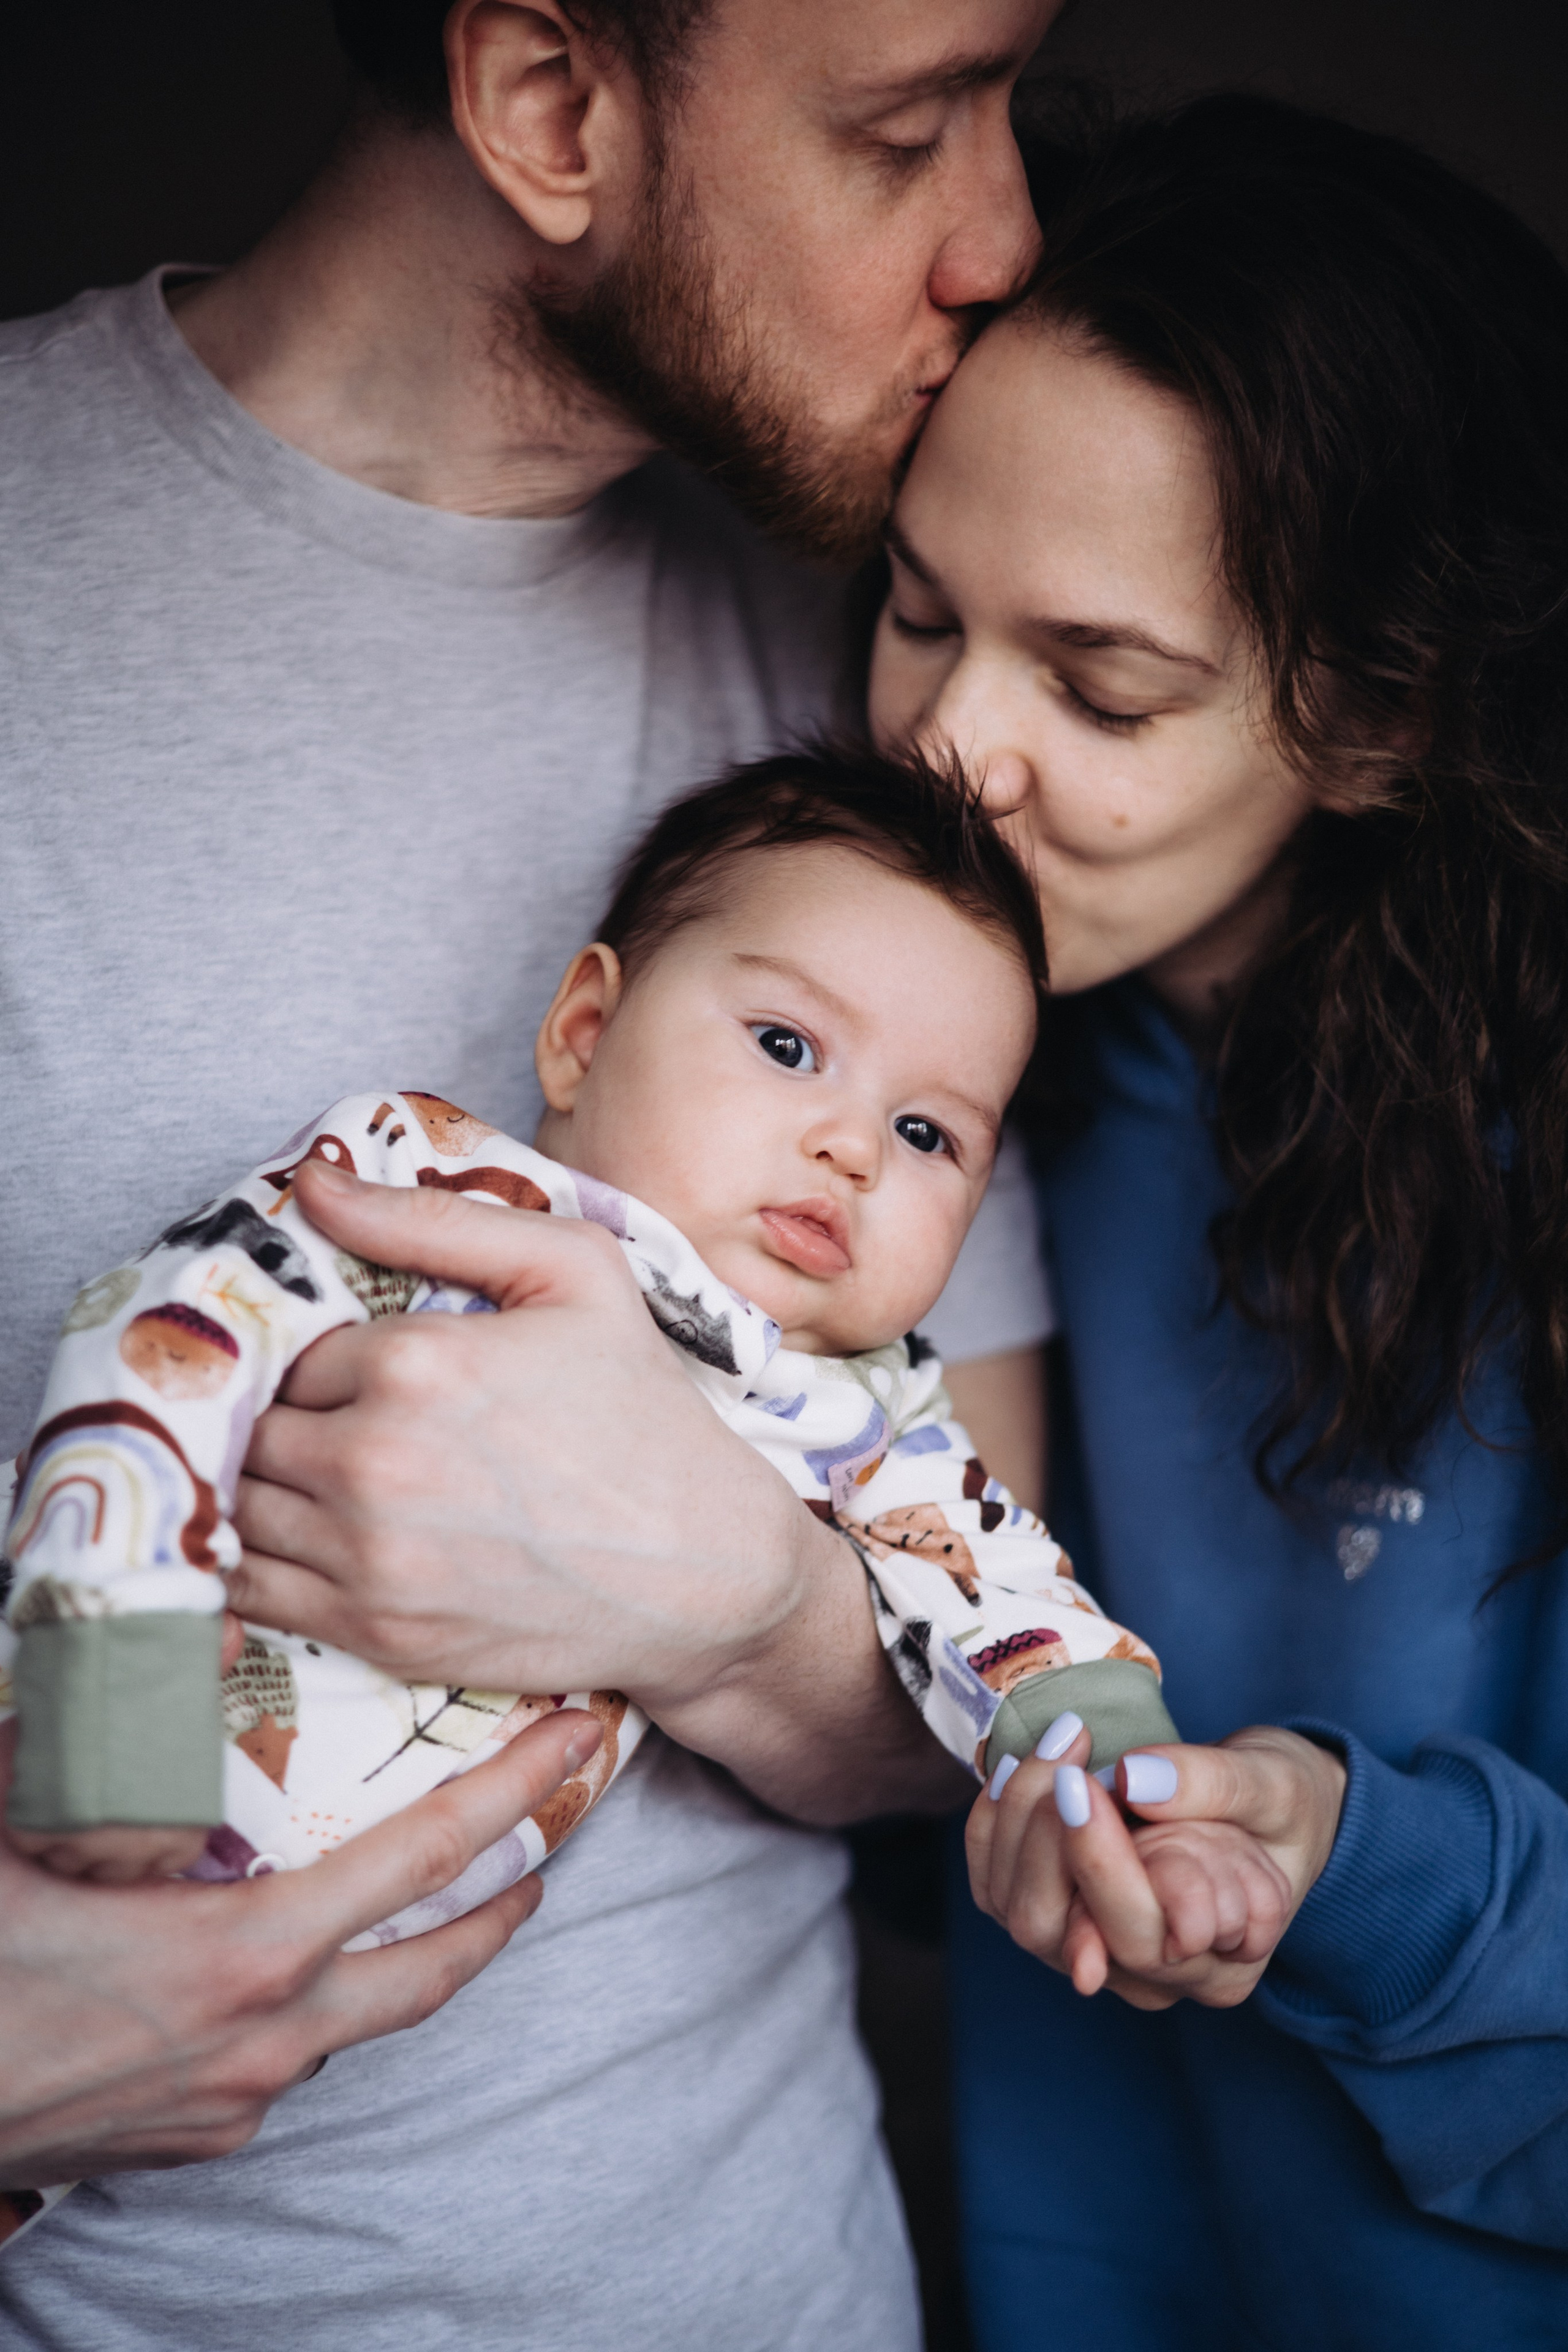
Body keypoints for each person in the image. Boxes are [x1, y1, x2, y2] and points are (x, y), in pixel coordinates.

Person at [0, 1, 1059, 2343]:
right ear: (552, 110)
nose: (1007, 231)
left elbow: (959, 1658)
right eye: (906, 128)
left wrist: (731, 1608)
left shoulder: (882, 668)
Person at [868, 93, 1568, 2349]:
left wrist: (1336, 1848)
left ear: (1373, 714)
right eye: (910, 610)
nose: (945, 749)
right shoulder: (941, 1091)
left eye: (1100, 687)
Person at [5, 751, 1177, 1923]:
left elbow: (1007, 1599)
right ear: (585, 1029)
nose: (854, 1147)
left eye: (927, 1132)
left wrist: (1130, 1797)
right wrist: (113, 1688)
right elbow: (170, 1342)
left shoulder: (872, 1421)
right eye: (786, 1046)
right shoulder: (428, 1187)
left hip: (306, 1973)